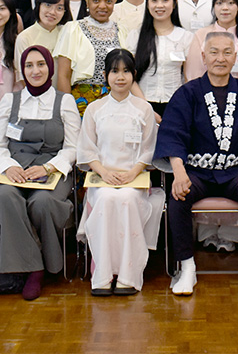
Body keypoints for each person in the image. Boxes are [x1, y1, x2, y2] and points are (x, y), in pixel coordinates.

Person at [156, 32, 238, 296]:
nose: (220, 58)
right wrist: (178, 172)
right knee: (177, 195)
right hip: (196, 172)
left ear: (236, 57)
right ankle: (186, 267)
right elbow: (173, 133)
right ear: (203, 56)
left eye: (226, 52)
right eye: (213, 52)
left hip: (237, 171)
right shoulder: (186, 93)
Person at [0, 45, 81, 300]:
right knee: (6, 197)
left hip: (52, 168)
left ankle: (33, 262)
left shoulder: (65, 101)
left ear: (50, 68)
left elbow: (73, 147)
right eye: (29, 65)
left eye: (41, 64)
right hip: (15, 168)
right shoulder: (10, 101)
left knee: (42, 202)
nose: (35, 70)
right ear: (23, 70)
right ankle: (36, 268)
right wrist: (9, 166)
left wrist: (50, 167)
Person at [76, 49, 164, 296]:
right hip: (103, 180)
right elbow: (87, 150)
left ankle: (128, 275)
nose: (120, 77)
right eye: (115, 71)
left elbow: (148, 150)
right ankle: (102, 275)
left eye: (126, 71)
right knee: (105, 199)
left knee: (125, 200)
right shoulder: (94, 109)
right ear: (105, 75)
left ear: (134, 75)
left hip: (134, 179)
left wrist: (133, 172)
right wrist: (103, 172)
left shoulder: (143, 108)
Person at [55, 0, 128, 115]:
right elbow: (63, 75)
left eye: (108, 1)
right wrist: (66, 110)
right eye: (96, 1)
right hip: (81, 101)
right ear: (87, 2)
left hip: (115, 99)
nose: (102, 6)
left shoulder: (122, 30)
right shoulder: (73, 29)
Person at [128, 0, 192, 119]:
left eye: (165, 0)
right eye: (154, 0)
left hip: (176, 106)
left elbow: (188, 77)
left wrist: (183, 105)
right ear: (147, 4)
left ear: (174, 3)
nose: (160, 5)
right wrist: (146, 108)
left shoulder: (186, 37)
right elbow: (129, 76)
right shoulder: (136, 36)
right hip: (141, 105)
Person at [15, 0, 71, 79]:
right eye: (48, 5)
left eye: (59, 8)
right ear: (38, 5)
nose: (53, 12)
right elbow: (22, 76)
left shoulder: (67, 33)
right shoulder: (25, 37)